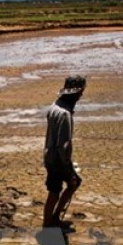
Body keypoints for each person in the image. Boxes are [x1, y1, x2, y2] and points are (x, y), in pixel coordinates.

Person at [43, 75, 86, 229]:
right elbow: (65, 146)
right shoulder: (65, 114)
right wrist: (69, 168)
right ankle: (51, 222)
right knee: (69, 185)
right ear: (77, 92)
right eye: (81, 92)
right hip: (58, 159)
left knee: (54, 190)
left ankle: (52, 220)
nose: (81, 96)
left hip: (49, 155)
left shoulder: (55, 106)